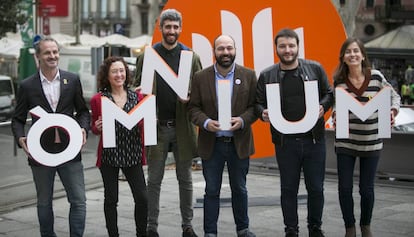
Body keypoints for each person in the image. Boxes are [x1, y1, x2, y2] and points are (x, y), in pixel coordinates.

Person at [256, 28, 333, 237]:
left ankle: (315, 228)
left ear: (298, 47)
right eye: (283, 46)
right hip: (285, 142)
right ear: (276, 49)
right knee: (288, 189)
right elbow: (257, 102)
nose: (287, 50)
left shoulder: (315, 68)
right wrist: (261, 112)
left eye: (291, 45)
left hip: (314, 141)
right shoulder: (266, 75)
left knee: (316, 188)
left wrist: (323, 107)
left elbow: (329, 93)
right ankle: (291, 229)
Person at [11, 36, 90, 237]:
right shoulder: (27, 86)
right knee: (44, 203)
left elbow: (83, 111)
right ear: (38, 56)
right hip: (41, 154)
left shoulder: (71, 80)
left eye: (55, 52)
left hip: (70, 152)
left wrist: (83, 128)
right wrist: (21, 139)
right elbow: (17, 119)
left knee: (79, 201)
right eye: (47, 52)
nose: (53, 56)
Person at [134, 8, 202, 237]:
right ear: (160, 28)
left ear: (181, 29)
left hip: (182, 126)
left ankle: (187, 226)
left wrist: (191, 95)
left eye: (175, 27)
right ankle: (151, 226)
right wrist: (138, 95)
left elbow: (200, 92)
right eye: (168, 26)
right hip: (157, 127)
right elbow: (137, 89)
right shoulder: (148, 56)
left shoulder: (190, 57)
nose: (172, 31)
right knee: (153, 180)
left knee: (185, 179)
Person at [188, 35, 257, 237]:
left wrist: (243, 120)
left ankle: (243, 230)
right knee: (211, 191)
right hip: (212, 144)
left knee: (240, 189)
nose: (225, 52)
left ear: (235, 50)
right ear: (214, 52)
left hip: (239, 143)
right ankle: (210, 232)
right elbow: (193, 108)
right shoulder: (201, 77)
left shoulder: (249, 75)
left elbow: (255, 107)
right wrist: (207, 123)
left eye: (229, 48)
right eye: (221, 49)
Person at [331, 37, 400, 237]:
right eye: (348, 52)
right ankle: (349, 228)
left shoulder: (376, 77)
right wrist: (335, 115)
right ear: (343, 58)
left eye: (356, 51)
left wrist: (393, 111)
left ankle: (366, 226)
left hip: (371, 143)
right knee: (344, 188)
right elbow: (336, 105)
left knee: (366, 189)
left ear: (362, 55)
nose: (352, 55)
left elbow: (393, 96)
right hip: (346, 142)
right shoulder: (339, 82)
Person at [90, 56, 148, 237]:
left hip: (133, 152)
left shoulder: (137, 96)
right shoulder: (98, 99)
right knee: (111, 199)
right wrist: (96, 127)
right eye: (114, 71)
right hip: (110, 154)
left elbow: (142, 123)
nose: (119, 74)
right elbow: (94, 127)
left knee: (142, 198)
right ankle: (113, 234)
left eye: (122, 70)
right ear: (107, 76)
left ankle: (141, 233)